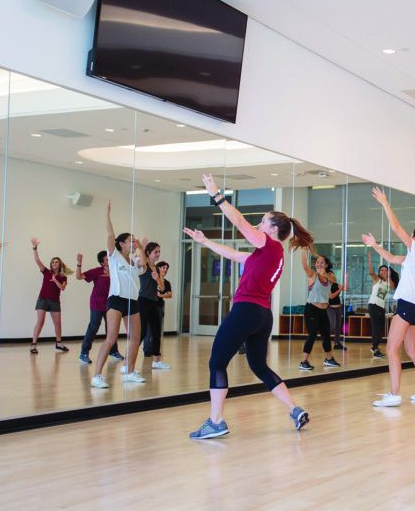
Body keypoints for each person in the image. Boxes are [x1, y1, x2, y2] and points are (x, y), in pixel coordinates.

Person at [184, 173, 312, 438]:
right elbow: (232, 254)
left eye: (263, 221)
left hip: (246, 311)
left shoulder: (271, 246)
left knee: (217, 363)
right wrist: (205, 242)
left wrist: (216, 195)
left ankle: (215, 421)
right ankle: (295, 410)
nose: (258, 224)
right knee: (259, 367)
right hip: (262, 316)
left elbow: (240, 222)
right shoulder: (263, 254)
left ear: (274, 228)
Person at [363, 187, 415, 407]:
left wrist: (385, 203)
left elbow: (395, 227)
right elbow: (392, 258)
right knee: (411, 350)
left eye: (412, 237)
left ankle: (394, 394)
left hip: (406, 305)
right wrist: (375, 246)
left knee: (391, 349)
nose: (410, 239)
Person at [91, 200, 147, 388]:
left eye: (134, 241)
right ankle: (97, 375)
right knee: (111, 338)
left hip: (132, 302)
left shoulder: (134, 261)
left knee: (135, 339)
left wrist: (140, 247)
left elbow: (145, 265)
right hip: (116, 301)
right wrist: (107, 214)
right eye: (131, 241)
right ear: (122, 243)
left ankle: (130, 371)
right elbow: (110, 234)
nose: (133, 243)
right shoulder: (114, 257)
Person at [75, 250, 120, 364]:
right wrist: (79, 264)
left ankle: (113, 351)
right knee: (94, 327)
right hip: (97, 303)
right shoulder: (97, 271)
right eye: (106, 259)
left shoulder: (115, 271)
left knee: (111, 328)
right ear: (102, 262)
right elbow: (79, 276)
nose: (109, 261)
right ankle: (84, 353)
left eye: (109, 258)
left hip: (111, 304)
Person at [29, 238, 72, 354]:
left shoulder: (63, 277)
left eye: (56, 262)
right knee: (40, 321)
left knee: (58, 323)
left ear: (60, 264)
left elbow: (62, 288)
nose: (54, 264)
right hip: (43, 299)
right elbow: (37, 260)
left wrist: (55, 281)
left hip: (54, 301)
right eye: (53, 262)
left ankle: (58, 343)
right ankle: (33, 345)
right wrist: (34, 248)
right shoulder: (46, 272)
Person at [299, 251, 341, 370]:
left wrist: (326, 274)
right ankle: (303, 361)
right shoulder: (313, 275)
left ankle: (328, 359)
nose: (319, 264)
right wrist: (304, 251)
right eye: (317, 262)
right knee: (312, 335)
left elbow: (335, 278)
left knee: (326, 336)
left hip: (323, 311)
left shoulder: (329, 277)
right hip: (311, 309)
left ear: (326, 265)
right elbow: (305, 266)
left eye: (322, 262)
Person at [135, 241, 168, 370]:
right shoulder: (144, 266)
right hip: (143, 301)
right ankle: (128, 361)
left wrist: (158, 279)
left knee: (156, 332)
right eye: (156, 252)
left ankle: (156, 361)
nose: (158, 254)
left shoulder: (159, 269)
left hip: (153, 302)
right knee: (142, 332)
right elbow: (139, 258)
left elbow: (162, 288)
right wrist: (141, 246)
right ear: (148, 253)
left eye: (159, 252)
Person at [366, 251, 394, 358]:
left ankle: (376, 346)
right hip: (373, 305)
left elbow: (392, 287)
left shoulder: (387, 282)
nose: (383, 271)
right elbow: (371, 271)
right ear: (379, 272)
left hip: (381, 307)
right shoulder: (376, 280)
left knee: (382, 329)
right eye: (382, 270)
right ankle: (375, 348)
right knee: (376, 327)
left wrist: (388, 277)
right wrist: (369, 260)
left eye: (385, 270)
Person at [146, 260, 173, 356]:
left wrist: (161, 295)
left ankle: (155, 349)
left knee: (157, 329)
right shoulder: (151, 279)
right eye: (163, 268)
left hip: (159, 307)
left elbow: (169, 294)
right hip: (149, 305)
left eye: (166, 268)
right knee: (148, 328)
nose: (165, 270)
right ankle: (147, 350)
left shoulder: (167, 283)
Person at [328, 268, 348, 351]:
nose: (331, 276)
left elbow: (346, 288)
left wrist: (346, 278)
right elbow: (331, 296)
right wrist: (340, 289)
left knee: (338, 326)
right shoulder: (326, 285)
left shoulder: (336, 284)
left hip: (338, 308)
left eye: (331, 275)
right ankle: (326, 339)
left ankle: (337, 343)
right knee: (332, 324)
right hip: (330, 308)